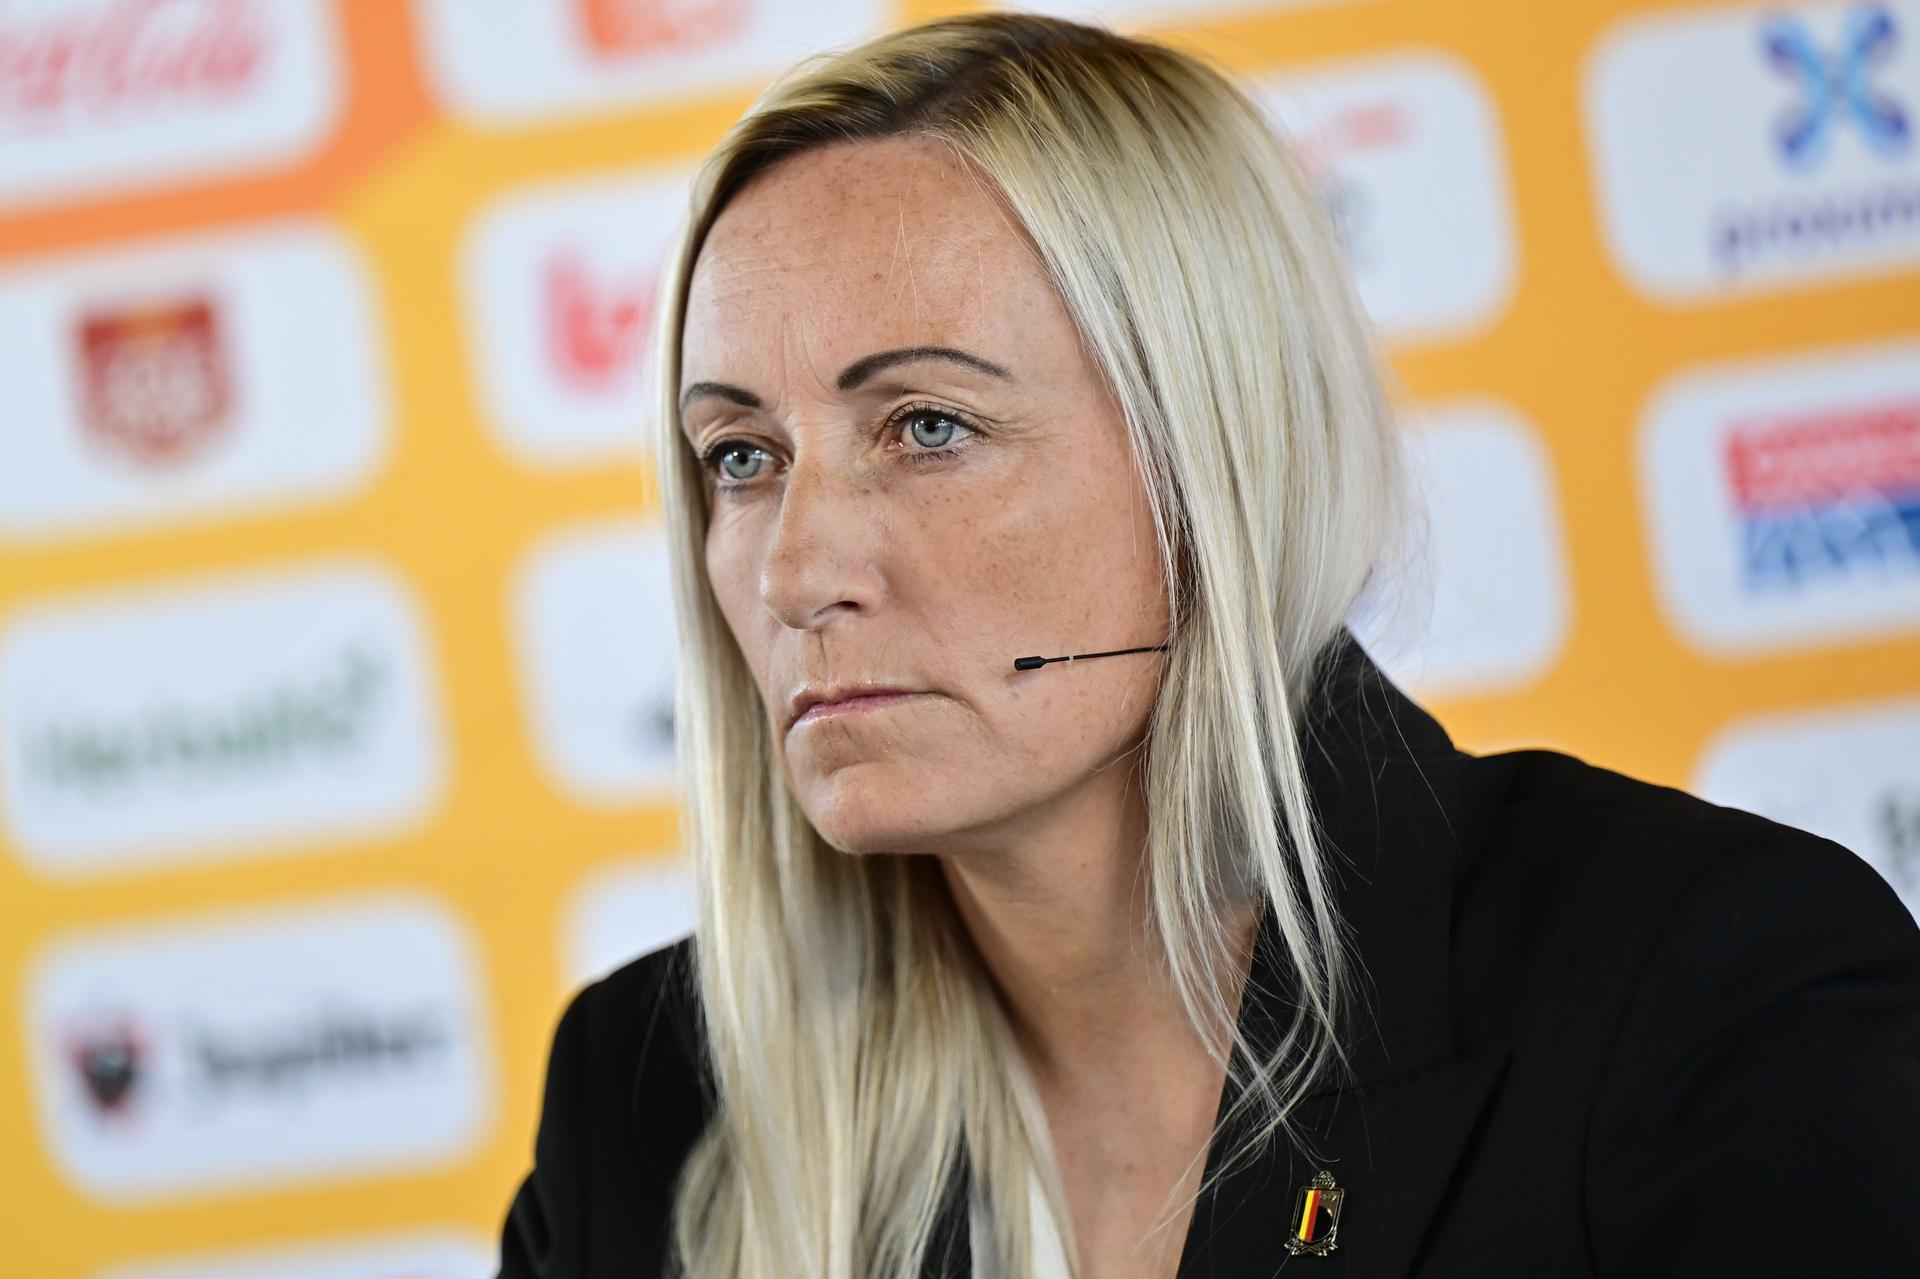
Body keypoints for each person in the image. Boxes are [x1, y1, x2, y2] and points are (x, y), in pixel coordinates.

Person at [494, 12, 1920, 1278]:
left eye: (928, 428)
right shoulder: (645, 1102)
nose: (799, 568)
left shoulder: (1704, 994)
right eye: (741, 456)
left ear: (1217, 457)